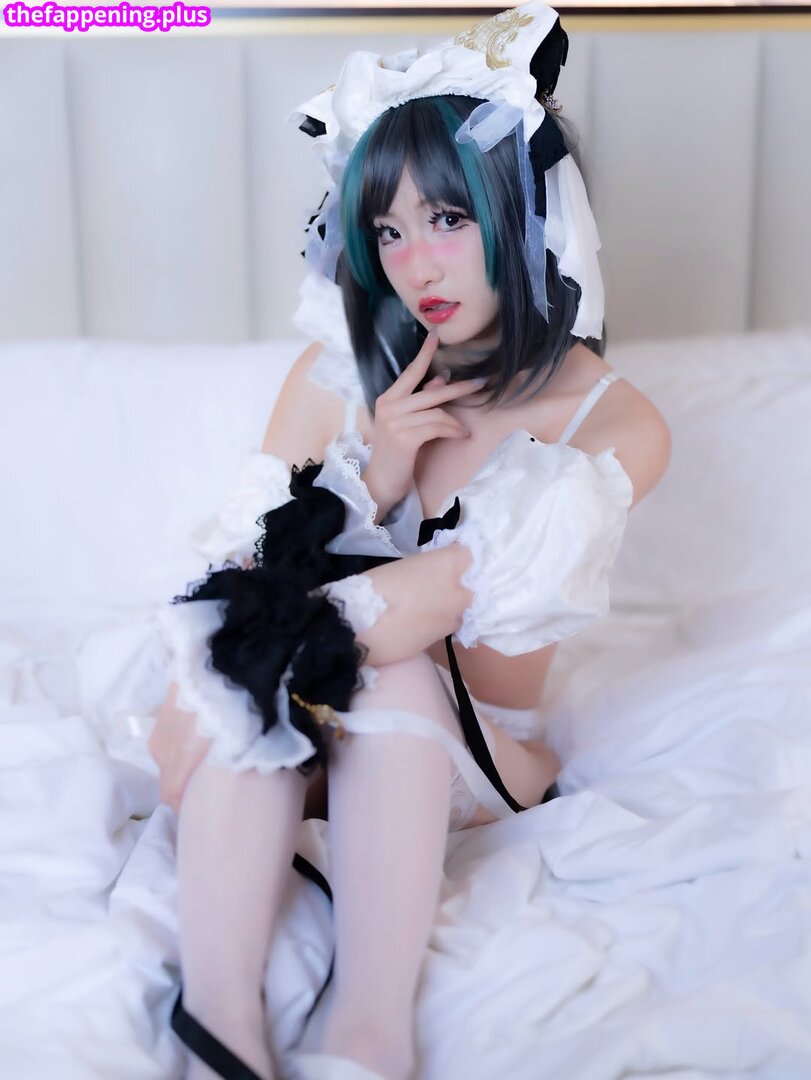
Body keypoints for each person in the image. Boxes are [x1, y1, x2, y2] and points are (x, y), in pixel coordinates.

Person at [148, 4, 671, 1079]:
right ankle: (219, 1024)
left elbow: (435, 598)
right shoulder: (336, 376)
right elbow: (241, 568)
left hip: (468, 750)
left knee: (374, 670)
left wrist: (215, 676)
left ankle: (369, 1033)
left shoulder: (612, 422)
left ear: (523, 216)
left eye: (446, 218)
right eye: (387, 231)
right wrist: (377, 472)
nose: (415, 265)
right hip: (304, 729)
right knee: (286, 664)